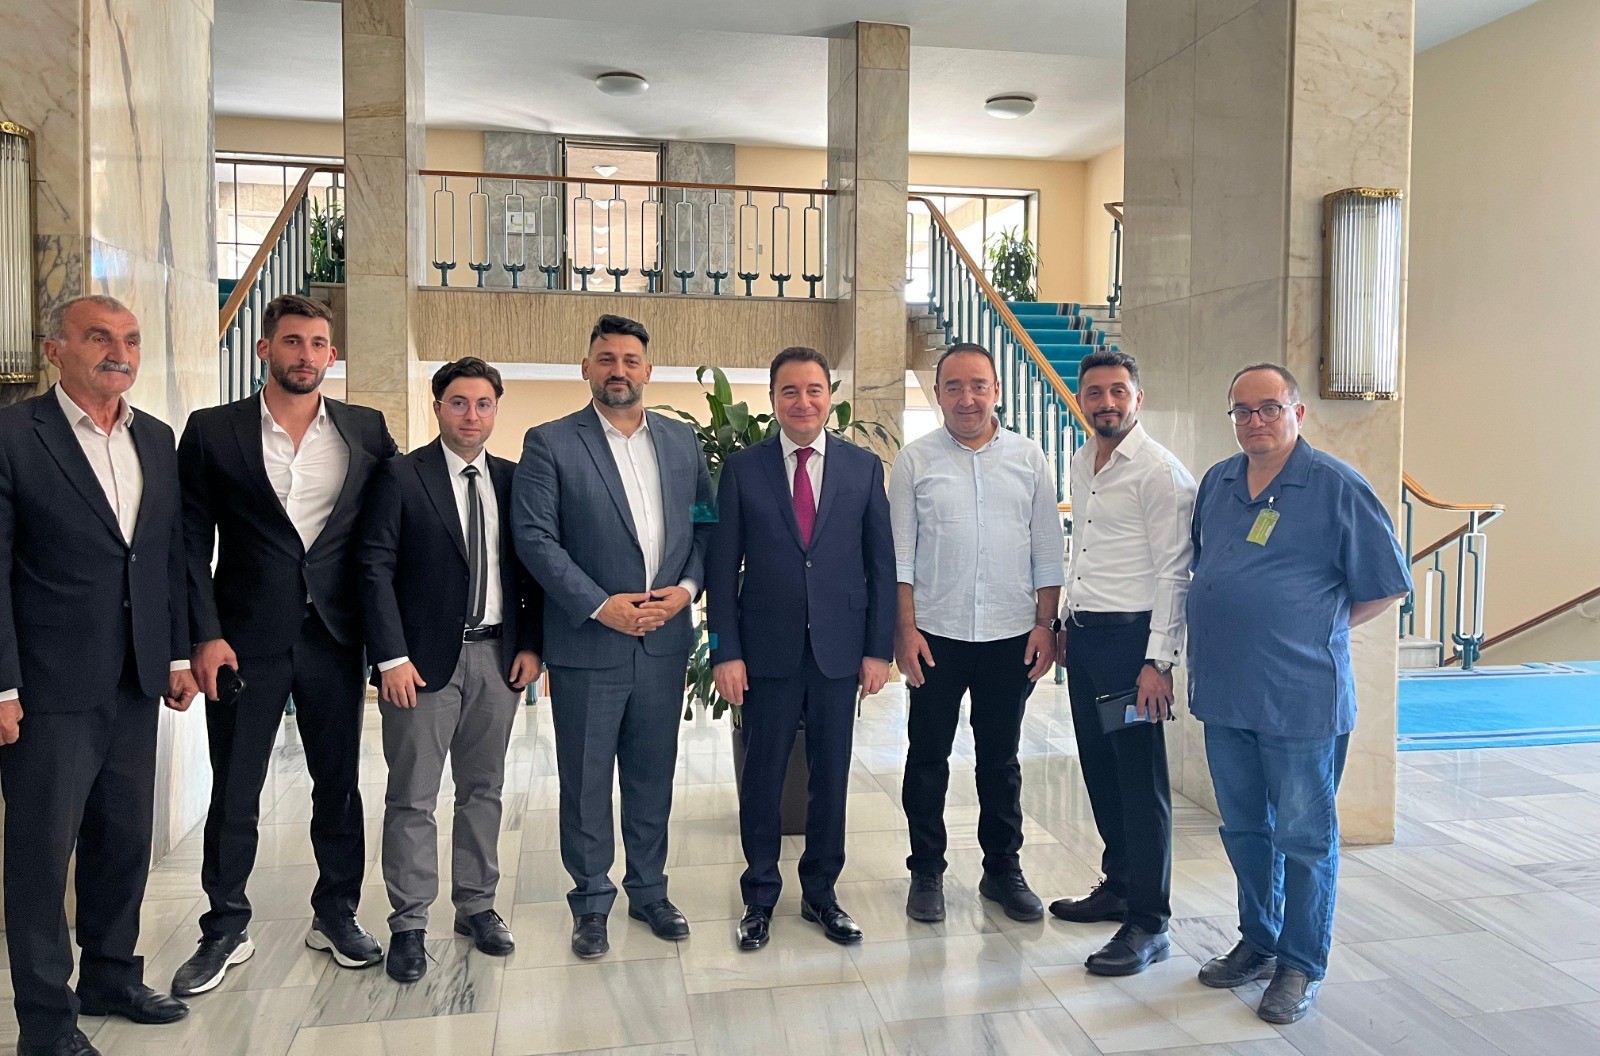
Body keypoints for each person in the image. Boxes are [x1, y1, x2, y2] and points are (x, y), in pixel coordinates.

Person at [172, 293, 398, 996]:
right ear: (265, 348)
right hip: (243, 640)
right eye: (294, 341)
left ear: (333, 353)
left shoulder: (366, 429)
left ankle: (336, 913)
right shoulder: (213, 431)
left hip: (335, 635)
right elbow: (188, 543)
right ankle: (224, 927)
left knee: (339, 784)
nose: (307, 354)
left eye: (319, 343)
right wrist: (203, 635)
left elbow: (387, 532)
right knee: (235, 788)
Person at [0, 295, 196, 1056]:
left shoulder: (156, 437)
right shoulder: (15, 436)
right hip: (47, 687)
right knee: (42, 858)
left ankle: (112, 976)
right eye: (98, 337)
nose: (120, 352)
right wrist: (2, 686)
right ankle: (46, 1023)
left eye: (131, 340)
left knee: (124, 839)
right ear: (55, 350)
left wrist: (175, 654)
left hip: (136, 678)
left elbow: (165, 554)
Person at [1188, 363, 1410, 1024]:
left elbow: (1387, 586)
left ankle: (1301, 962)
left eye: (1270, 408)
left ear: (1297, 412)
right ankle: (1259, 941)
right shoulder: (1218, 483)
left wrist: (1315, 625)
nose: (1255, 421)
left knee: (1305, 838)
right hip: (1226, 693)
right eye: (1242, 410)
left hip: (1301, 697)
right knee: (1244, 829)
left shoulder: (1336, 486)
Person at [512, 313, 713, 959]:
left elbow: (705, 522)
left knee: (653, 776)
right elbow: (535, 538)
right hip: (589, 646)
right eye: (606, 358)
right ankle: (592, 901)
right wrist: (601, 606)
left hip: (663, 641)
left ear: (648, 370)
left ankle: (650, 890)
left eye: (630, 359)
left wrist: (687, 590)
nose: (618, 370)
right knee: (586, 780)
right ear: (586, 368)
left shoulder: (681, 442)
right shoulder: (550, 443)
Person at [358, 357, 544, 983]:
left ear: (496, 410)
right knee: (413, 796)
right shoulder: (400, 476)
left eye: (483, 403)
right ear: (437, 406)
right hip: (419, 666)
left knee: (483, 790)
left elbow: (531, 569)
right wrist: (390, 657)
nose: (472, 414)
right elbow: (374, 569)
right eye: (459, 402)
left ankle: (477, 907)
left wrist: (531, 643)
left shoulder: (514, 480)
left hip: (498, 658)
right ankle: (409, 923)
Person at [707, 347, 896, 951]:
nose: (803, 401)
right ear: (772, 399)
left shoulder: (863, 469)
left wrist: (878, 650)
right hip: (766, 653)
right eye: (789, 390)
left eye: (814, 390)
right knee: (763, 777)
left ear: (829, 397)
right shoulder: (743, 470)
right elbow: (721, 569)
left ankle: (821, 893)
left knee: (831, 776)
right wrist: (724, 652)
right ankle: (760, 895)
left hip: (840, 651)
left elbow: (881, 565)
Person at [890, 342, 1064, 924]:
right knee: (927, 757)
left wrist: (1045, 624)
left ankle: (1002, 870)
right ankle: (926, 871)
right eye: (954, 386)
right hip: (935, 636)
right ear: (938, 393)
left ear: (997, 391)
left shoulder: (1029, 458)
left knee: (1001, 760)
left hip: (1010, 636)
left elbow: (1047, 551)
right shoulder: (915, 461)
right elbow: (900, 557)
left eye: (978, 385)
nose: (967, 398)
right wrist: (905, 630)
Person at [1048, 349, 1196, 976]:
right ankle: (1119, 885)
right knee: (1101, 770)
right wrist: (1064, 622)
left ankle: (1149, 921)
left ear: (1138, 397)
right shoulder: (1084, 461)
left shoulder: (1159, 473)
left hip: (1133, 648)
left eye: (1117, 391)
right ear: (1082, 399)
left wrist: (1158, 662)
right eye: (1094, 392)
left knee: (1139, 781)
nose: (1105, 402)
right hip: (1087, 643)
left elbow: (1175, 573)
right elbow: (1084, 552)